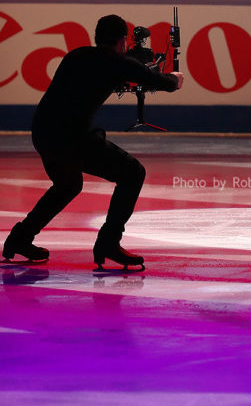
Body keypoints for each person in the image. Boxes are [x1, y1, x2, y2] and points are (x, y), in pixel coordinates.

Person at [2, 14, 184, 268]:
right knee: (133, 173)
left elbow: (99, 78)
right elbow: (163, 83)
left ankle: (20, 239)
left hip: (43, 132)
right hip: (72, 138)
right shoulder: (117, 62)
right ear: (122, 40)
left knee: (68, 184)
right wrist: (176, 78)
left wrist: (133, 68)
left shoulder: (76, 56)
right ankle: (109, 242)